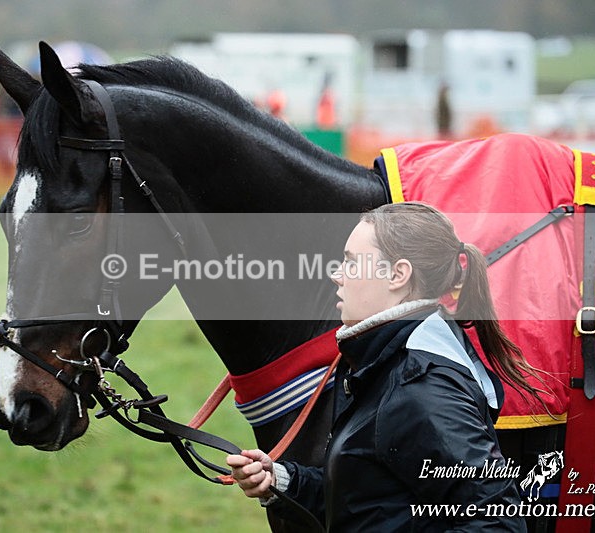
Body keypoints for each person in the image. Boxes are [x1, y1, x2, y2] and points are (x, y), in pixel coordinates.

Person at [227, 202, 544, 531]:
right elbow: (369, 502)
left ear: (397, 275)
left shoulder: (422, 390)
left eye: (351, 262)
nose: (337, 275)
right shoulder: (385, 360)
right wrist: (283, 481)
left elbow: (498, 523)